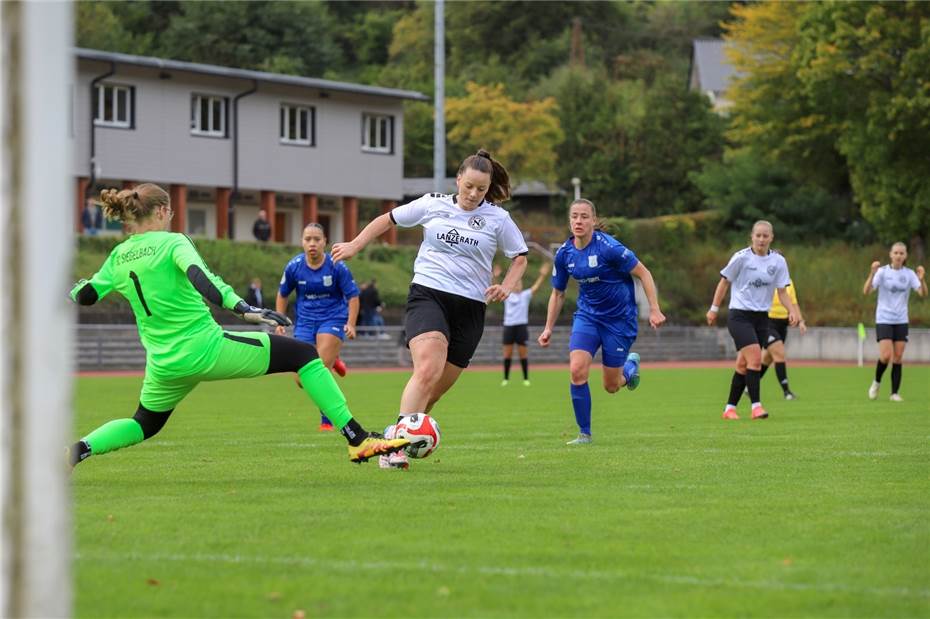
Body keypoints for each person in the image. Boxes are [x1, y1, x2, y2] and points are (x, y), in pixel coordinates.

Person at [68, 184, 407, 468]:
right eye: (169, 213)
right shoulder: (173, 242)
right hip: (205, 348)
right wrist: (244, 309)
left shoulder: (118, 255)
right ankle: (358, 440)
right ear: (160, 211)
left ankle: (76, 451)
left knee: (143, 423)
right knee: (304, 354)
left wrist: (68, 286)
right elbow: (203, 279)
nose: (170, 219)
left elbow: (86, 295)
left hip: (163, 364)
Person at [332, 149, 528, 469]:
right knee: (426, 370)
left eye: (481, 189)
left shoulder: (497, 218)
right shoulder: (432, 203)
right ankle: (393, 449)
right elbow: (389, 218)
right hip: (429, 294)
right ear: (458, 180)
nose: (473, 194)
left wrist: (506, 286)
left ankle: (396, 431)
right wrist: (355, 244)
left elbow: (519, 256)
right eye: (468, 187)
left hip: (471, 308)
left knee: (433, 393)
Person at [538, 199, 666, 445]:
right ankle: (584, 434)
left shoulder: (610, 248)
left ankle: (629, 369)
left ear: (593, 221)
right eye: (574, 216)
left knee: (611, 386)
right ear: (569, 220)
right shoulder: (565, 254)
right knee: (577, 371)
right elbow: (558, 293)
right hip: (588, 317)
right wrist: (548, 328)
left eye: (584, 216)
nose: (578, 221)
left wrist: (654, 309)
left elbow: (644, 273)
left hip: (619, 321)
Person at [707, 220, 799, 421]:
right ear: (752, 236)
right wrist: (714, 309)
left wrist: (791, 310)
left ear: (771, 237)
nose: (761, 239)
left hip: (761, 318)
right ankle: (756, 407)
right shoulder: (741, 258)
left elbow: (782, 291)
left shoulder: (778, 262)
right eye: (758, 235)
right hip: (739, 315)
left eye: (765, 235)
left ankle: (729, 408)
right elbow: (724, 283)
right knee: (756, 359)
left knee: (743, 364)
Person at [276, 223, 359, 431]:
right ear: (302, 242)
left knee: (319, 369)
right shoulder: (294, 266)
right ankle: (335, 359)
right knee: (300, 378)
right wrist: (279, 320)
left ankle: (327, 419)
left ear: (325, 242)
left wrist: (350, 323)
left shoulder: (337, 266)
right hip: (304, 322)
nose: (312, 243)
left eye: (316, 239)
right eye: (307, 239)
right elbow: (283, 294)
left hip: (332, 319)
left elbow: (353, 296)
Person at [863, 242, 927, 402]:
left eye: (902, 253)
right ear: (891, 255)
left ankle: (894, 393)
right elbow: (866, 291)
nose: (898, 256)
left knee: (898, 357)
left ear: (905, 256)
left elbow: (922, 293)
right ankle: (876, 382)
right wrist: (871, 273)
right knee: (885, 356)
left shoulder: (909, 274)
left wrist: (922, 280)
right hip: (884, 318)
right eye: (896, 253)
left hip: (901, 319)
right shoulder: (883, 272)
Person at [501, 262, 550, 387]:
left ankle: (525, 378)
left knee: (523, 353)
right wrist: (495, 276)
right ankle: (506, 378)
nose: (518, 285)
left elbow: (536, 287)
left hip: (521, 326)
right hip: (509, 326)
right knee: (507, 354)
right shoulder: (507, 295)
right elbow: (497, 288)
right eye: (516, 283)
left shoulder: (525, 295)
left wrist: (542, 275)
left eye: (519, 283)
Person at [760, 276, 807, 399]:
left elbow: (794, 303)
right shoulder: (766, 278)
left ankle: (747, 385)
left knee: (767, 359)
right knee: (779, 353)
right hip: (768, 322)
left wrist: (801, 321)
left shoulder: (789, 281)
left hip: (783, 324)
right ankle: (786, 392)